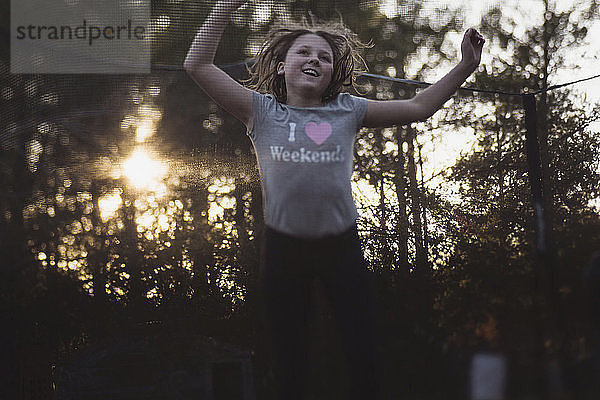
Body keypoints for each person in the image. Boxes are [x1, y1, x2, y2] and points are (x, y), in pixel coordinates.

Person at [184, 1, 485, 399]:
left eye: (324, 57)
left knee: (362, 352)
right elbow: (198, 66)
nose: (314, 59)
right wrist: (224, 7)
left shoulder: (348, 111)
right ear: (281, 66)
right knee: (290, 358)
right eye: (304, 52)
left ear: (332, 73)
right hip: (283, 246)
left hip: (341, 245)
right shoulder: (260, 110)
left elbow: (418, 107)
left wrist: (465, 65)